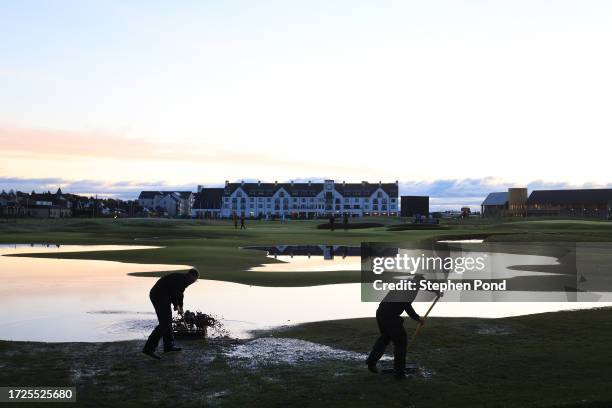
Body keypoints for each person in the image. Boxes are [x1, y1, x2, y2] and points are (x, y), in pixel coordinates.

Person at [366, 284, 424, 380]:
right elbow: (407, 306)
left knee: (385, 338)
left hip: (381, 312)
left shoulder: (407, 284)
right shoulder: (409, 289)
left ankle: (371, 362)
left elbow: (426, 286)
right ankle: (399, 374)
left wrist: (437, 292)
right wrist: (417, 318)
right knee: (401, 342)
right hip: (390, 316)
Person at [142, 268, 199, 359]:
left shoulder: (184, 280)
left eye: (195, 280)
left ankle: (168, 346)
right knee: (165, 323)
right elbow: (174, 292)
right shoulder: (182, 279)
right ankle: (149, 349)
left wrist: (181, 306)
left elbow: (180, 293)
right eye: (194, 279)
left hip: (163, 296)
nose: (194, 282)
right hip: (158, 295)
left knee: (167, 322)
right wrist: (176, 305)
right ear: (190, 275)